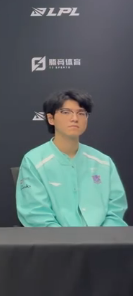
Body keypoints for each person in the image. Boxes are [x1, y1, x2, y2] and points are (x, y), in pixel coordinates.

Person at [16, 90, 127, 227]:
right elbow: (36, 215)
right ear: (51, 118)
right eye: (66, 112)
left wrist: (102, 237)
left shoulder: (103, 162)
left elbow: (116, 209)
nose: (75, 118)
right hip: (55, 240)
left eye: (81, 113)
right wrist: (69, 240)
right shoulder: (34, 161)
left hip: (104, 239)